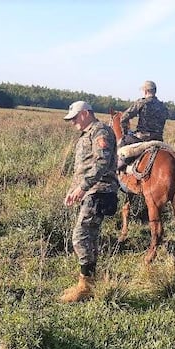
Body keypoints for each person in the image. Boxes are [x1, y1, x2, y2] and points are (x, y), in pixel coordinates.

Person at [58, 100, 119, 303]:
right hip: (90, 191)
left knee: (80, 236)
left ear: (85, 113)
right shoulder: (88, 133)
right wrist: (74, 190)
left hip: (99, 192)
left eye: (75, 118)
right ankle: (89, 283)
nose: (73, 122)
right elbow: (85, 167)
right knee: (89, 238)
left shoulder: (100, 131)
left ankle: (85, 286)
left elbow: (101, 163)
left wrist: (83, 187)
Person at [117, 80, 168, 169]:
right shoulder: (163, 106)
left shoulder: (142, 102)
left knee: (122, 143)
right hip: (158, 139)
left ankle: (119, 168)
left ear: (145, 91)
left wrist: (125, 132)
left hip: (142, 138)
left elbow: (124, 118)